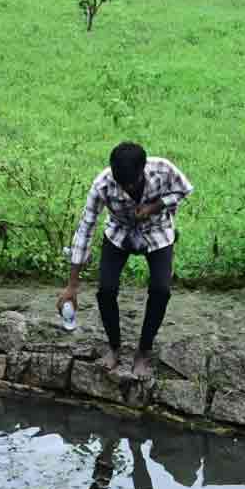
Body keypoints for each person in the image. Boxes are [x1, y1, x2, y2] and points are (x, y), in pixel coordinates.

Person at [57, 143, 193, 380]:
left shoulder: (163, 169)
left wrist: (155, 206)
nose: (128, 188)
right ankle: (114, 347)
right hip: (119, 231)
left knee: (161, 289)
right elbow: (86, 228)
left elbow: (184, 190)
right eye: (123, 184)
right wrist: (72, 285)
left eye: (132, 183)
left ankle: (144, 350)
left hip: (157, 229)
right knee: (106, 289)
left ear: (144, 169)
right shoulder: (102, 184)